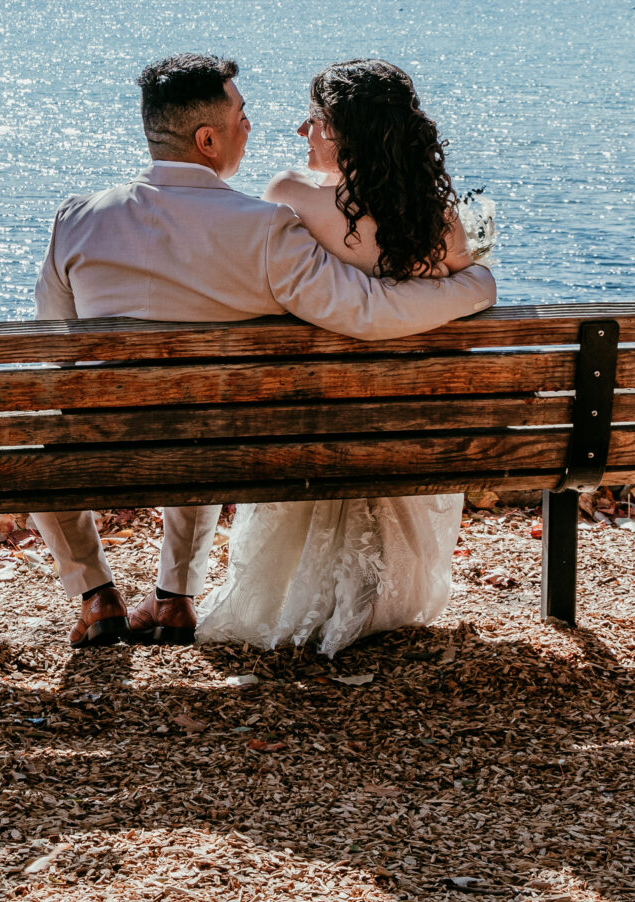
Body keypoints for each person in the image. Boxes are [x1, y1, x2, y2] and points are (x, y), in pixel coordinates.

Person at [32, 53, 497, 648]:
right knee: (199, 413)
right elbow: (368, 311)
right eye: (242, 115)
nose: (252, 126)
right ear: (208, 139)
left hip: (105, 441)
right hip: (222, 443)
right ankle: (174, 597)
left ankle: (96, 595)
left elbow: (54, 347)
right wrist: (474, 283)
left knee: (50, 430)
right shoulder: (265, 230)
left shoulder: (75, 221)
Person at [196, 60, 476, 655]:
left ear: (347, 132)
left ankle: (311, 597)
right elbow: (455, 276)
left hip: (312, 420)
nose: (303, 131)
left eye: (316, 120)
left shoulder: (290, 198)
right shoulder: (438, 222)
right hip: (409, 423)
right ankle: (374, 598)